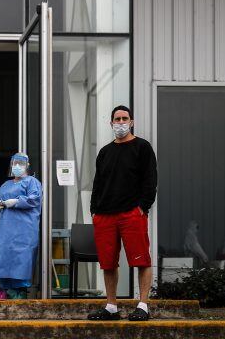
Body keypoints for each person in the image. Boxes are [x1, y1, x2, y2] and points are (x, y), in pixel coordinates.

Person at [88, 105, 157, 322]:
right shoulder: (105, 152)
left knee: (141, 260)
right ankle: (111, 307)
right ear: (111, 123)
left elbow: (150, 181)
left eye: (124, 118)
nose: (120, 122)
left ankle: (143, 306)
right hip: (104, 215)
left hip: (131, 214)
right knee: (108, 263)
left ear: (132, 122)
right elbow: (97, 183)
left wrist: (142, 207)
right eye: (116, 119)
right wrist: (94, 211)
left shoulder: (142, 147)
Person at [0, 153, 42, 300]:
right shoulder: (5, 185)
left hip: (24, 230)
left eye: (20, 163)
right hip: (6, 231)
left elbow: (34, 199)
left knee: (21, 258)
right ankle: (9, 290)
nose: (17, 166)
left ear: (27, 165)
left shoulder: (32, 182)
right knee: (5, 257)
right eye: (14, 163)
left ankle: (21, 291)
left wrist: (16, 201)